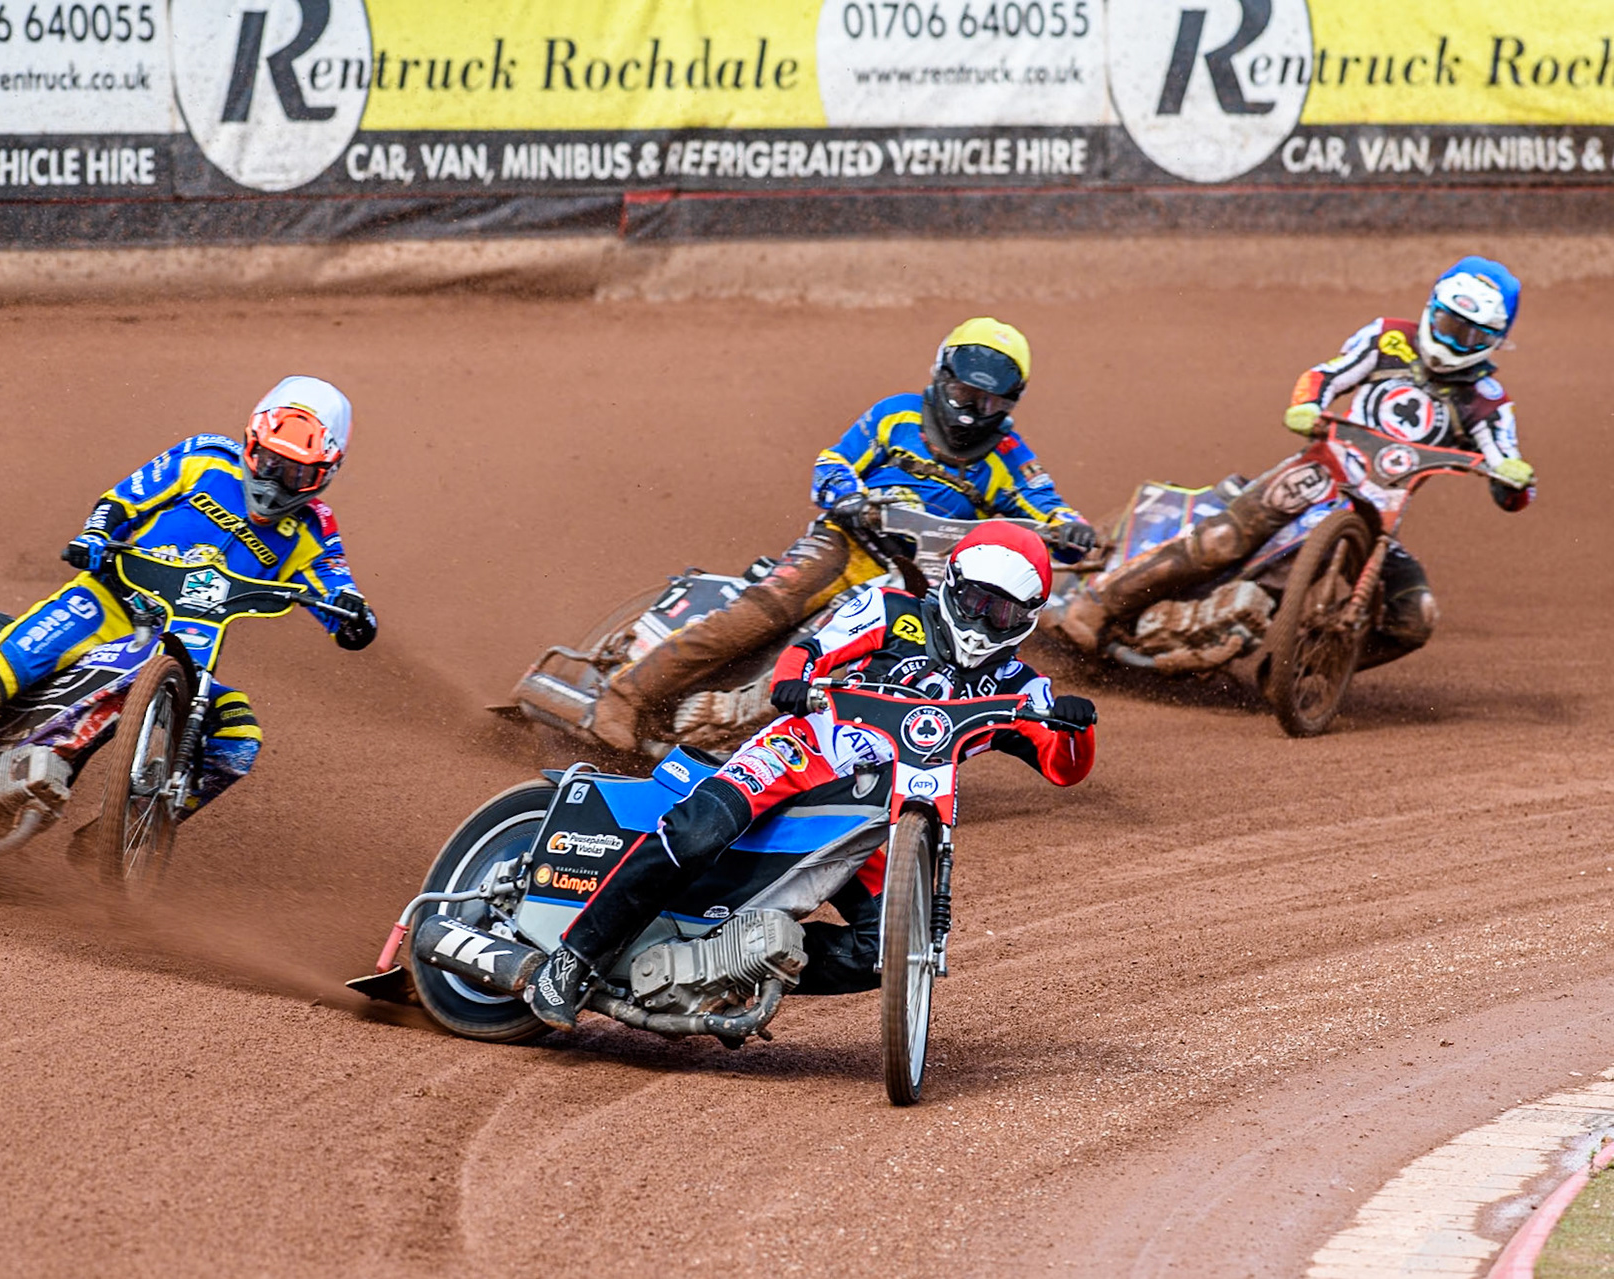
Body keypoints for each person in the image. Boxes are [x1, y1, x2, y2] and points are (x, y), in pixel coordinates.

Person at [526, 522, 1097, 1028]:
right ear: (951, 584)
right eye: (976, 600)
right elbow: (811, 649)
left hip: (877, 815)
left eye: (1002, 612)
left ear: (1025, 619)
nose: (984, 620)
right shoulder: (891, 609)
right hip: (798, 757)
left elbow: (1063, 768)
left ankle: (728, 968)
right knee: (696, 832)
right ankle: (571, 961)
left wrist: (1077, 727)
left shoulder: (1022, 686)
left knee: (887, 948)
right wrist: (791, 684)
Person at [0, 375, 378, 833]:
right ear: (253, 441)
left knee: (238, 742)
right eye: (272, 461)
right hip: (107, 602)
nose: (279, 480)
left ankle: (125, 831)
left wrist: (354, 617)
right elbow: (120, 502)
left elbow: (338, 590)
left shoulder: (314, 530)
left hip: (184, 658)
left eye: (298, 470)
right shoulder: (204, 458)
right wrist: (96, 537)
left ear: (326, 472)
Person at [584, 317, 1098, 753]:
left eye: (987, 403)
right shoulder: (896, 414)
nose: (970, 411)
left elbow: (1046, 505)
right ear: (942, 377)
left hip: (925, 579)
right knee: (766, 608)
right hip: (850, 544)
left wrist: (1070, 530)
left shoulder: (1009, 456)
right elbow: (834, 461)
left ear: (1009, 403)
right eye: (964, 393)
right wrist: (848, 496)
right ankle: (626, 695)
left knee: (934, 659)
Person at [1055, 257, 1536, 663]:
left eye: (1471, 336)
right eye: (1451, 325)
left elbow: (1509, 469)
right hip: (1321, 471)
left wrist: (1512, 480)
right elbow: (1327, 375)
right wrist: (1308, 405)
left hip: (1377, 517)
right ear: (1433, 310)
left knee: (1416, 618)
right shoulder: (1388, 338)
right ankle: (1098, 604)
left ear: (1493, 342)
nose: (1455, 342)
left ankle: (1308, 665)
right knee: (1223, 539)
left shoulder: (1487, 401)